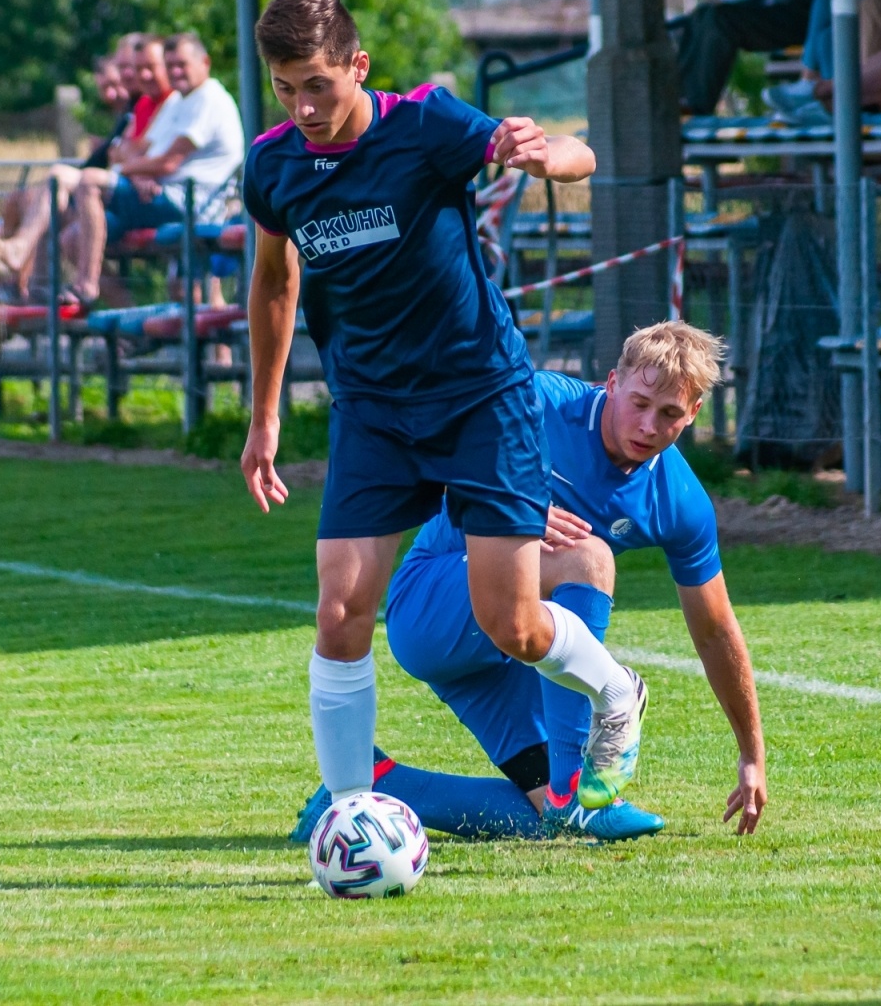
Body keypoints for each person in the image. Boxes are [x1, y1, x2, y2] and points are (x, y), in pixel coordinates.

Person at [241, 0, 647, 818]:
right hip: (373, 412)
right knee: (340, 611)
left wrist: (545, 152)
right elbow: (275, 284)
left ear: (357, 65)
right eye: (285, 88)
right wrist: (265, 416)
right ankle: (352, 811)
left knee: (515, 626)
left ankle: (614, 689)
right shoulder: (274, 166)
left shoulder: (426, 123)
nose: (305, 107)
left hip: (477, 401)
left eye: (318, 83)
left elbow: (581, 156)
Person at [289, 323, 768, 843]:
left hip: (518, 649)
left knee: (539, 823)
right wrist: (507, 508)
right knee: (589, 558)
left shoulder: (680, 500)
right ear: (611, 382)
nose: (649, 424)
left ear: (694, 413)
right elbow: (431, 447)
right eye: (641, 402)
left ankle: (366, 786)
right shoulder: (536, 402)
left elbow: (716, 630)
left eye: (670, 413)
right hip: (432, 608)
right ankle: (572, 789)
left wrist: (751, 753)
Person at [0, 33, 175, 298]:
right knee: (35, 202)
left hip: (141, 198)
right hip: (119, 191)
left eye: (139, 68)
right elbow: (122, 154)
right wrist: (128, 160)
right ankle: (26, 284)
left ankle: (13, 275)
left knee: (53, 188)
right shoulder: (144, 104)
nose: (134, 75)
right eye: (130, 68)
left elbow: (144, 157)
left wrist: (130, 164)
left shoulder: (165, 103)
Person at [70, 32, 245, 302]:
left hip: (194, 204)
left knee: (90, 181)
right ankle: (129, 325)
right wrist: (138, 171)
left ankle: (86, 285)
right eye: (170, 64)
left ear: (205, 63)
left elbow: (167, 162)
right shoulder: (178, 100)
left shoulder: (209, 99)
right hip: (161, 195)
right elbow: (134, 151)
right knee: (71, 237)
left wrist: (132, 169)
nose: (175, 71)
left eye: (182, 64)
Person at [674, 0, 831, 116]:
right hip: (791, 2)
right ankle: (680, 98)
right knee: (704, 14)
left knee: (720, 21)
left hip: (815, 12)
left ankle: (696, 107)